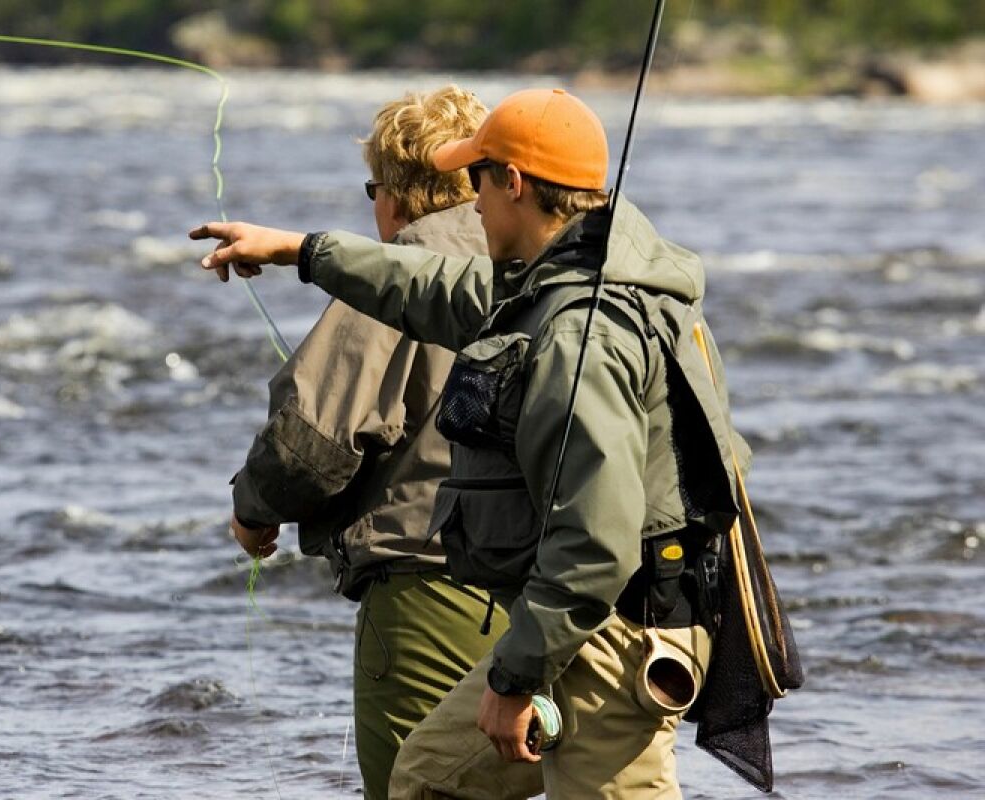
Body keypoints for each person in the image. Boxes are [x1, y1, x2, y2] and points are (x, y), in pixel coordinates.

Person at [194, 88, 747, 799]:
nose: (471, 203)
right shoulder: (560, 283)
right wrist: (300, 251)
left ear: (512, 182)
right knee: (429, 781)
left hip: (615, 633)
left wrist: (517, 679)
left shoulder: (580, 336)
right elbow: (432, 286)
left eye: (478, 181)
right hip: (589, 617)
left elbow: (596, 542)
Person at [223, 85, 541, 800]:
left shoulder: (405, 268)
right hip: (551, 602)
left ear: (396, 196)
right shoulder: (541, 263)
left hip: (428, 597)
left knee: (416, 788)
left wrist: (251, 510)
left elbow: (310, 443)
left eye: (375, 190)